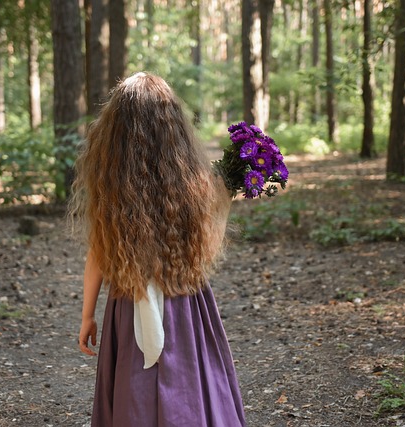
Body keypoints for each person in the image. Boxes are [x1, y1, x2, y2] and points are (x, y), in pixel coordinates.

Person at [70, 72, 246, 427]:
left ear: (114, 134)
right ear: (175, 130)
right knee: (191, 389)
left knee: (133, 393)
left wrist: (88, 315)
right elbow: (206, 248)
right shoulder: (194, 181)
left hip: (128, 304)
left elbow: (97, 255)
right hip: (185, 307)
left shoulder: (112, 187)